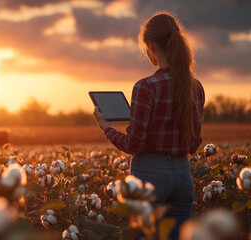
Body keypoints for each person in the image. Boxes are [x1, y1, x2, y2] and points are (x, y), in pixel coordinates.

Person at [93, 11, 205, 240]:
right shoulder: (196, 87)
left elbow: (134, 144)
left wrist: (106, 128)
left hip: (150, 175)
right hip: (183, 176)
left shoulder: (146, 87)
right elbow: (193, 145)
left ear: (151, 45)